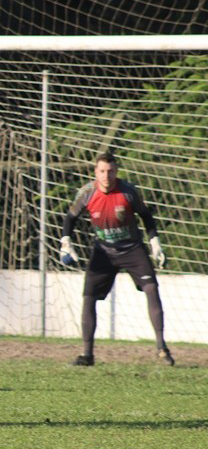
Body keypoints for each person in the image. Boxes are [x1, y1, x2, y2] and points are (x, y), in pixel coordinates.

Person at [60, 152, 173, 367]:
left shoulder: (128, 192)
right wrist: (66, 241)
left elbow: (146, 215)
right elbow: (71, 217)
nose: (106, 176)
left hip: (132, 248)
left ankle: (162, 349)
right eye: (102, 171)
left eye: (110, 171)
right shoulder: (87, 192)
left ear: (116, 172)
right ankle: (87, 355)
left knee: (151, 288)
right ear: (95, 172)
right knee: (89, 297)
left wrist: (154, 241)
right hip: (103, 251)